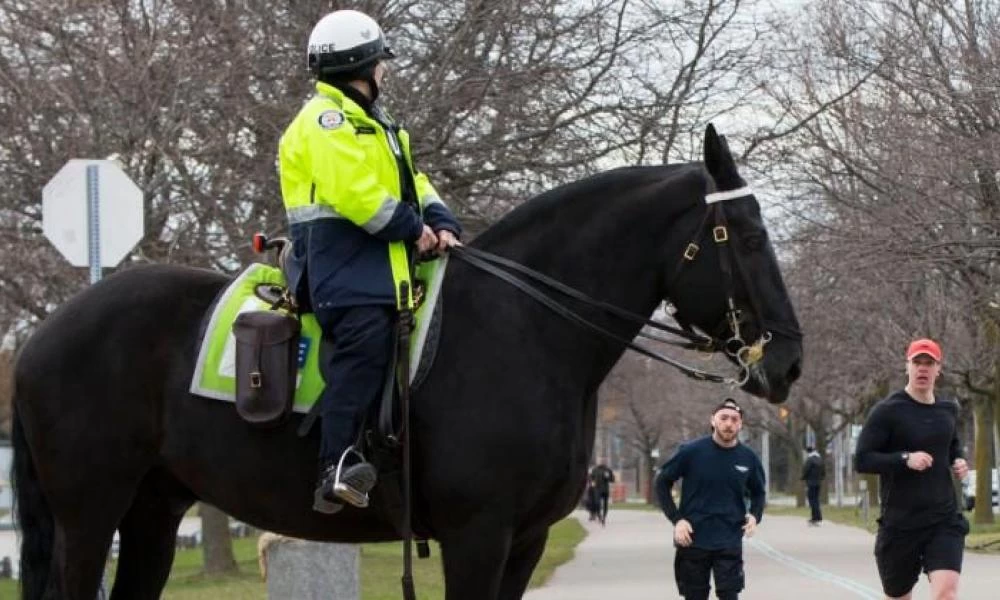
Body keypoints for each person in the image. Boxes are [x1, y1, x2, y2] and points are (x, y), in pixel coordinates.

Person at [278, 9, 462, 513]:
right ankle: (335, 464)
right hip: (343, 271)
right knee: (365, 342)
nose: (385, 71)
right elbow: (354, 193)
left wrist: (441, 218)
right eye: (382, 62)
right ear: (363, 66)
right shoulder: (324, 122)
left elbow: (412, 183)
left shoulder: (380, 127)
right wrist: (413, 229)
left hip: (381, 272)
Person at [854, 338, 969, 600]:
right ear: (907, 366)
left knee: (945, 594)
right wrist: (904, 458)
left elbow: (951, 445)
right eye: (917, 362)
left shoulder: (948, 409)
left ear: (938, 369)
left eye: (929, 363)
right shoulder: (887, 411)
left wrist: (959, 461)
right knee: (898, 596)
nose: (923, 369)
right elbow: (862, 459)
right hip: (900, 524)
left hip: (943, 519)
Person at [654, 398, 766, 600]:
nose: (729, 423)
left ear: (740, 424)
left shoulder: (748, 458)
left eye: (734, 419)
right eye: (723, 418)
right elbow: (662, 482)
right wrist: (677, 519)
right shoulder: (691, 452)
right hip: (693, 539)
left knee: (730, 596)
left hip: (729, 539)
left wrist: (755, 516)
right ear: (713, 420)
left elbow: (759, 492)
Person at [801, 445, 825, 526]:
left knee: (812, 500)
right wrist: (821, 478)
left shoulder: (809, 460)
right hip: (818, 482)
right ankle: (818, 516)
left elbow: (806, 470)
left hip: (811, 483)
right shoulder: (820, 459)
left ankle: (815, 517)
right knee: (816, 500)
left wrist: (802, 478)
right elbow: (823, 471)